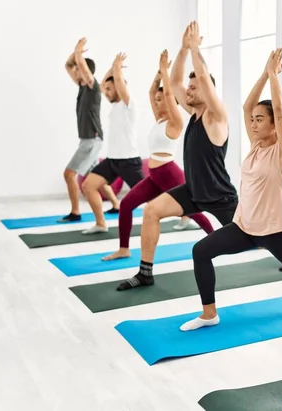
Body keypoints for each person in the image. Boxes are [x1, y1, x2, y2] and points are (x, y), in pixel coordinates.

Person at [178, 48, 282, 331]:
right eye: (252, 120)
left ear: (274, 125)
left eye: (260, 120)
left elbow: (279, 111)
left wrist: (273, 77)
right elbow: (246, 106)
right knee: (201, 251)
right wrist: (263, 74)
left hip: (275, 232)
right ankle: (209, 314)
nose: (253, 124)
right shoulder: (255, 146)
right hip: (244, 228)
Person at [115, 21, 239, 291]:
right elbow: (174, 82)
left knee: (259, 235)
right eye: (190, 88)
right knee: (151, 211)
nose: (189, 91)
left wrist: (195, 48)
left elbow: (204, 79)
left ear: (207, 92)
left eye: (194, 88)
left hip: (221, 196)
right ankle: (145, 273)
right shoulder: (193, 113)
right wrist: (183, 50)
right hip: (194, 191)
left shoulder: (216, 117)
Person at [103, 50, 214, 263]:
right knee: (126, 204)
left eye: (160, 99)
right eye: (156, 99)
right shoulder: (160, 120)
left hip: (168, 173)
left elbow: (170, 96)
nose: (157, 101)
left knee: (195, 212)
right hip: (155, 175)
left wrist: (166, 72)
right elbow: (151, 92)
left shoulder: (176, 122)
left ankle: (218, 238)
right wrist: (158, 74)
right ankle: (124, 248)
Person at [80, 52, 145, 235]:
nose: (105, 93)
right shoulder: (115, 106)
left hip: (129, 162)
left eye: (110, 89)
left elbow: (118, 83)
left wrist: (116, 68)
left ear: (120, 86)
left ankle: (186, 215)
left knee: (153, 197)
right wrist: (111, 67)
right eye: (106, 89)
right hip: (113, 161)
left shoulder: (129, 105)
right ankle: (101, 223)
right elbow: (102, 84)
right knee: (88, 186)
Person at [61, 38, 118, 223]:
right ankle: (116, 205)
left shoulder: (93, 87)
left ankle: (75, 212)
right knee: (96, 176)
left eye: (80, 69)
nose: (76, 72)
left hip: (91, 140)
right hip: (89, 139)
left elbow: (81, 68)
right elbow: (68, 65)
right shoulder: (82, 87)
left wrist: (79, 55)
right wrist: (75, 54)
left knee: (69, 174)